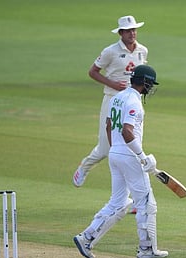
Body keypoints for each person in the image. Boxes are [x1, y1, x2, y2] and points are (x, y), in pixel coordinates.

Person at [73, 64, 168, 258]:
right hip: (129, 156)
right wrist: (142, 157)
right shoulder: (134, 102)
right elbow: (127, 131)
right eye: (150, 83)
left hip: (115, 153)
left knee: (118, 202)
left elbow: (109, 126)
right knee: (147, 203)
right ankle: (147, 248)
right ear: (144, 82)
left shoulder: (117, 97)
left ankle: (87, 238)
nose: (150, 88)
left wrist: (115, 148)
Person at [72, 15, 148, 187]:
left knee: (132, 145)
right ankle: (84, 167)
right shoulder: (110, 51)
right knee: (107, 148)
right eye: (128, 31)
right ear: (120, 33)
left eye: (134, 30)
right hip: (113, 99)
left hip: (132, 101)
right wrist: (113, 84)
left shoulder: (142, 50)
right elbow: (93, 72)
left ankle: (135, 195)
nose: (132, 33)